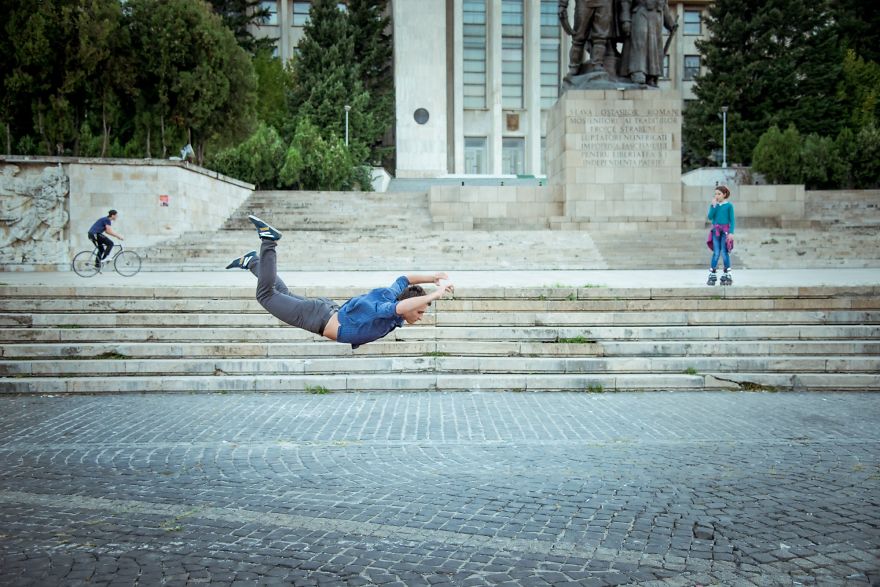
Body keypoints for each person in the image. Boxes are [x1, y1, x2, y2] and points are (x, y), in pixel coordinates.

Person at [227, 215, 454, 348]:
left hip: (323, 313)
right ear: (409, 305)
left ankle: (252, 262)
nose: (420, 316)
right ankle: (268, 242)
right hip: (318, 317)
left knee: (280, 293)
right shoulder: (387, 308)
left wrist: (432, 277)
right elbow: (401, 306)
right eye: (420, 311)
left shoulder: (391, 296)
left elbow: (404, 279)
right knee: (266, 295)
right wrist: (435, 293)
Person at [619, 0, 676, 86]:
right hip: (640, 14)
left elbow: (665, 8)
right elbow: (626, 2)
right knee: (639, 44)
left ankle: (651, 74)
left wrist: (671, 24)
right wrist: (626, 20)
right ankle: (637, 71)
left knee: (654, 48)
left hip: (657, 20)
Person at [559, 0, 621, 80]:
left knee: (601, 37)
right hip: (584, 2)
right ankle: (574, 66)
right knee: (578, 37)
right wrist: (563, 4)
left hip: (605, 3)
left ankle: (597, 63)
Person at [706, 185, 735, 286]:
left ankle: (727, 273)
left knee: (724, 252)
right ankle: (712, 273)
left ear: (724, 194)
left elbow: (732, 220)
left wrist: (731, 232)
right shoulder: (714, 205)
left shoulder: (729, 206)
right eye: (715, 194)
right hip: (716, 232)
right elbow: (710, 217)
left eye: (719, 194)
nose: (717, 196)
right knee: (716, 252)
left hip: (725, 232)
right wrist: (713, 206)